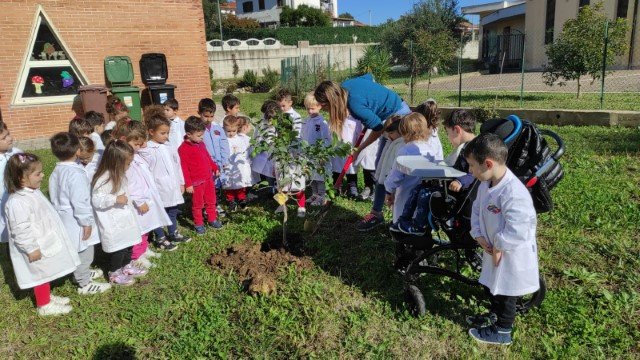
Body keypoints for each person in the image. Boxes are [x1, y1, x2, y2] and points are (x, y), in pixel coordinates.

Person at [464, 133, 540, 346]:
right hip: (492, 249)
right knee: (493, 287)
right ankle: (494, 316)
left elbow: (519, 229)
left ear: (487, 163)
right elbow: (477, 211)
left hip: (510, 253)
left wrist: (499, 245)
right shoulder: (484, 185)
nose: (470, 171)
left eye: (471, 166)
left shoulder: (514, 193)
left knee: (507, 291)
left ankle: (503, 330)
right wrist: (478, 234)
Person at [314, 74, 411, 230]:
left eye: (324, 107)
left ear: (331, 101)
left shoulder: (355, 105)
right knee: (381, 171)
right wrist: (374, 101)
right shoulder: (346, 84)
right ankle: (378, 213)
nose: (324, 110)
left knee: (388, 171)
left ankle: (398, 217)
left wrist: (359, 149)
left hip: (399, 121)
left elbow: (378, 128)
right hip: (392, 116)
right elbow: (369, 77)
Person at [4, 152, 80, 315]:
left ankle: (46, 297)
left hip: (43, 241)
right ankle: (44, 306)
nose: (43, 175)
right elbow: (20, 229)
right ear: (21, 178)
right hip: (34, 246)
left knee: (45, 273)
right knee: (40, 274)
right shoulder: (18, 202)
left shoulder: (32, 192)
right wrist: (31, 248)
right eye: (38, 174)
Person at [392, 109, 477, 235]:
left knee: (425, 193)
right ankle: (404, 220)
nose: (448, 138)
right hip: (451, 185)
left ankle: (419, 226)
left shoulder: (473, 149)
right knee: (418, 189)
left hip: (460, 191)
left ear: (457, 130)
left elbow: (474, 174)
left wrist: (460, 181)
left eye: (448, 133)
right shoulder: (467, 147)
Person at [49, 132, 111, 295]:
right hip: (77, 219)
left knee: (77, 247)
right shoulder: (76, 173)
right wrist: (86, 222)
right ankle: (84, 283)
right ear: (78, 150)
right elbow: (80, 201)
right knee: (85, 249)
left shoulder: (57, 170)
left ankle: (81, 272)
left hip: (64, 216)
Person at [91, 140, 147, 286]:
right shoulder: (103, 179)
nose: (129, 166)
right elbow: (97, 200)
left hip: (125, 218)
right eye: (128, 163)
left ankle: (127, 266)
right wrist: (115, 199)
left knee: (129, 244)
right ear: (116, 162)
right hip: (114, 222)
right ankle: (114, 272)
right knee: (119, 248)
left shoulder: (120, 174)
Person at [138, 106, 190, 246]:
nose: (166, 136)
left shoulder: (169, 146)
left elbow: (177, 164)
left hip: (172, 185)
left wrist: (181, 182)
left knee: (173, 209)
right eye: (163, 133)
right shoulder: (147, 149)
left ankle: (173, 232)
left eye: (168, 133)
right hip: (158, 187)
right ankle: (160, 236)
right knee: (158, 212)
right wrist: (142, 146)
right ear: (151, 132)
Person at [384, 113, 444, 224]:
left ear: (404, 131)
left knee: (403, 220)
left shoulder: (405, 150)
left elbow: (396, 176)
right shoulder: (430, 149)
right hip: (425, 194)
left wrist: (389, 190)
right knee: (421, 221)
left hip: (406, 193)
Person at [178, 116, 223, 234]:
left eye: (202, 135)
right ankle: (199, 224)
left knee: (211, 200)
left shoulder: (201, 144)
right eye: (199, 135)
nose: (201, 137)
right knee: (198, 204)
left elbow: (207, 157)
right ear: (188, 134)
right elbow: (184, 168)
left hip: (208, 179)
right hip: (197, 182)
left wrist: (214, 167)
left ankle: (212, 219)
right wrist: (188, 184)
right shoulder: (183, 149)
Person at [199, 98, 229, 217]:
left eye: (211, 116)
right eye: (205, 116)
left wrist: (225, 160)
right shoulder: (198, 130)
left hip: (219, 164)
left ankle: (217, 205)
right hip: (206, 166)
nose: (208, 119)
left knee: (218, 186)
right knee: (207, 188)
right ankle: (207, 207)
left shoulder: (217, 129)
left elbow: (224, 145)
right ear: (199, 113)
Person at [300, 92, 331, 206]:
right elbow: (302, 135)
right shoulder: (306, 121)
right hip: (308, 154)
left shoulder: (322, 123)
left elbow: (326, 139)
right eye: (308, 109)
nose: (310, 111)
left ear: (319, 107)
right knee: (310, 175)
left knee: (319, 176)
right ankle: (314, 194)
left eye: (312, 109)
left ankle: (322, 196)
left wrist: (323, 155)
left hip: (318, 155)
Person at [221, 115, 252, 211]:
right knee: (228, 184)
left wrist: (246, 162)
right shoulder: (222, 140)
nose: (231, 133)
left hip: (238, 166)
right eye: (228, 131)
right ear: (224, 129)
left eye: (233, 131)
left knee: (239, 182)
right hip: (227, 166)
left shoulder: (240, 139)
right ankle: (231, 200)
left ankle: (241, 198)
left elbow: (245, 151)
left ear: (237, 129)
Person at [331, 114, 363, 198]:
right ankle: (337, 185)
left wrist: (357, 146)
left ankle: (352, 185)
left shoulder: (356, 118)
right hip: (337, 146)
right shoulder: (335, 117)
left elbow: (359, 133)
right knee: (336, 166)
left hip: (351, 147)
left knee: (351, 168)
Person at [0, 120, 22, 243]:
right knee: (10, 229)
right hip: (4, 201)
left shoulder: (16, 152)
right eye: (4, 138)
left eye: (8, 134)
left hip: (21, 197)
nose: (10, 138)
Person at [355, 129, 379, 202]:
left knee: (373, 168)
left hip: (377, 141)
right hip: (365, 139)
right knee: (366, 165)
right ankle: (368, 187)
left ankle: (376, 191)